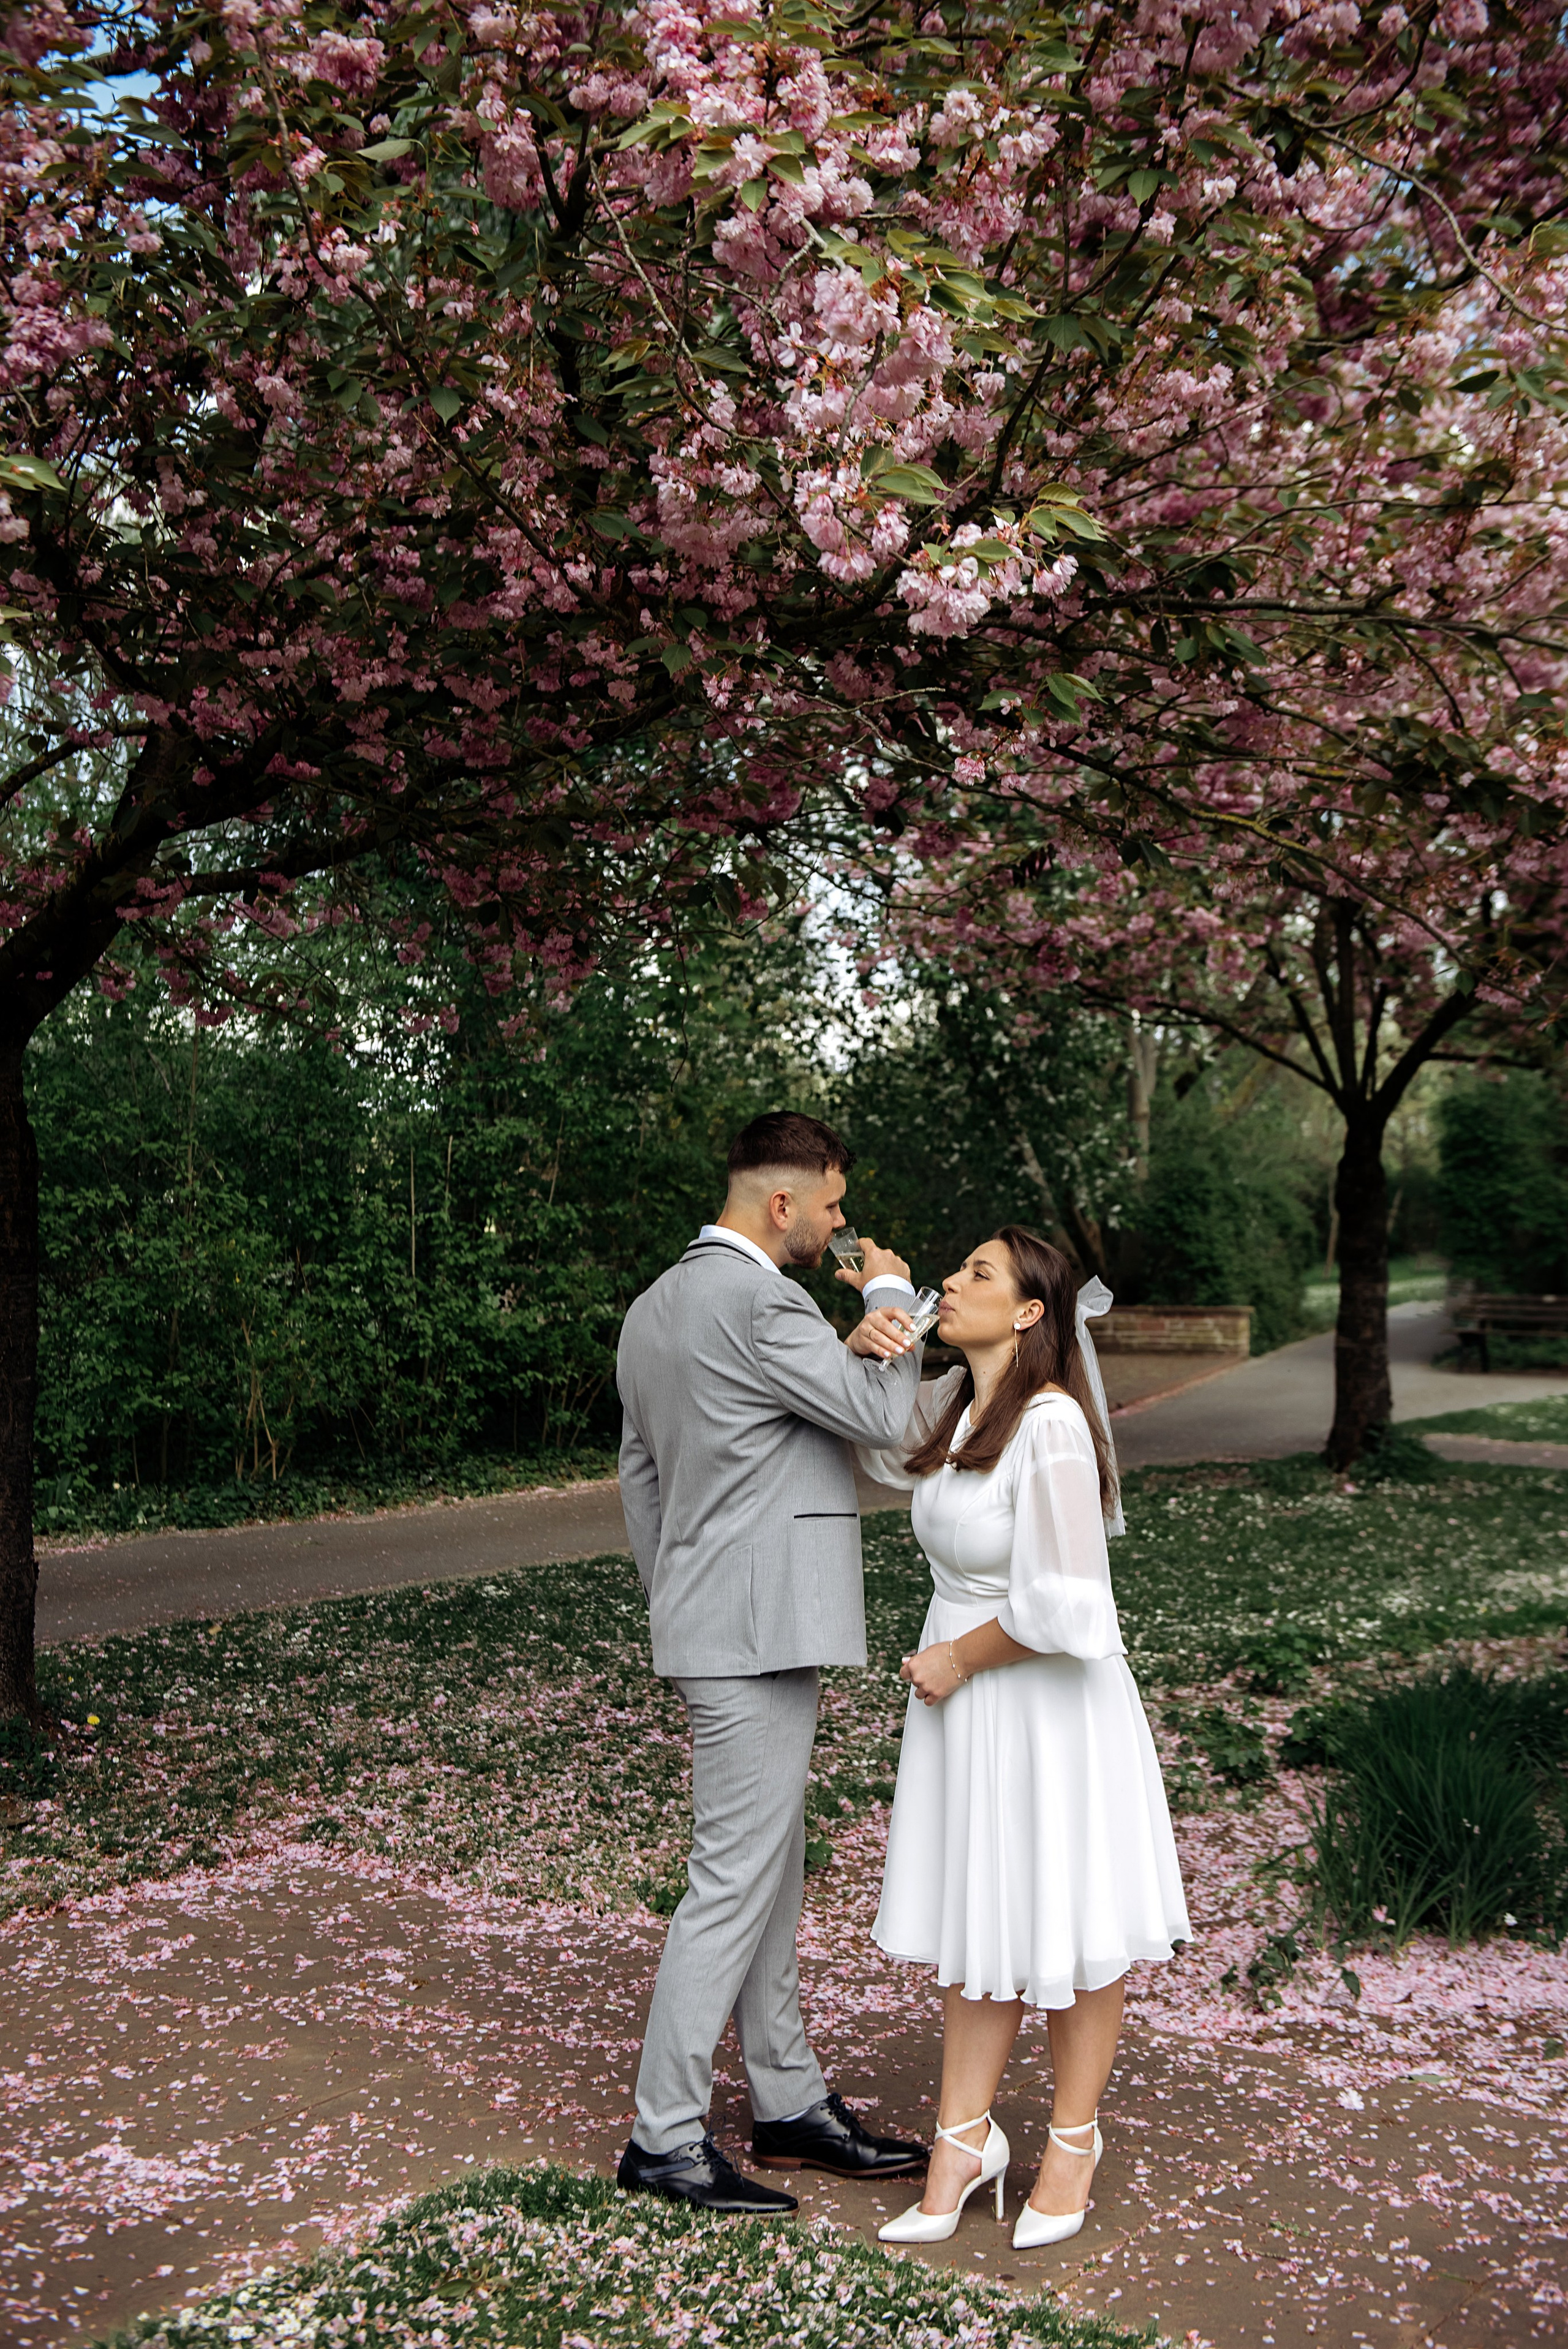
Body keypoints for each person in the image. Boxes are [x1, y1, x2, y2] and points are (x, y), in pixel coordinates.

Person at [614, 1110, 933, 2215]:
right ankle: (663, 2139)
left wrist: (678, 1603)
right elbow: (880, 1419)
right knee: (732, 1881)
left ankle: (789, 2102)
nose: (841, 1223)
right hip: (754, 1641)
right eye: (833, 1204)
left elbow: (642, 1479)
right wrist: (891, 1298)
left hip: (718, 1628)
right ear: (783, 1201)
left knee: (769, 1871)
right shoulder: (764, 1302)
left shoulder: (654, 1307)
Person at [850, 1226, 1189, 2250]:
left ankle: (1074, 2144)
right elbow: (869, 1440)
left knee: (1071, 1920)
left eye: (977, 1274)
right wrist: (881, 1325)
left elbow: (1068, 1605)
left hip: (1047, 1706)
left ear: (1031, 1311)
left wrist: (957, 1659)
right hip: (970, 1709)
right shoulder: (958, 1410)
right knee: (980, 1917)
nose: (951, 1282)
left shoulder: (1052, 1425)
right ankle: (963, 2142)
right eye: (955, 1271)